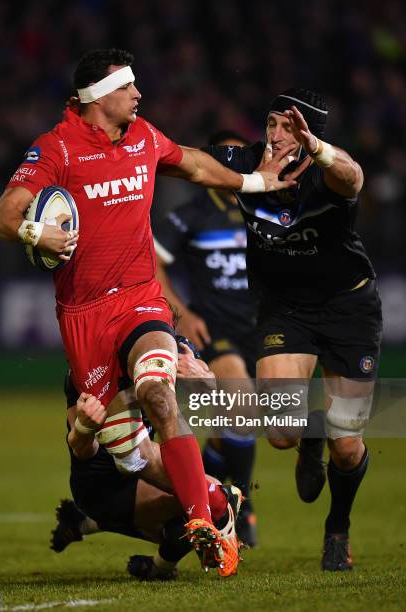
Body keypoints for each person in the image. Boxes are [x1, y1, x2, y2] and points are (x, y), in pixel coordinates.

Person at [0, 48, 299, 574]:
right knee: (131, 454)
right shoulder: (56, 148)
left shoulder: (145, 137)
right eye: (127, 87)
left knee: (157, 391)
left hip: (140, 299)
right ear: (97, 97)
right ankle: (221, 501)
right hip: (85, 316)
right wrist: (35, 231)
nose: (138, 95)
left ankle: (206, 524)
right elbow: (2, 215)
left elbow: (196, 163)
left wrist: (256, 181)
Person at [203, 88, 382, 571]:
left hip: (349, 309)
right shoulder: (243, 161)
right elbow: (189, 161)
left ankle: (337, 527)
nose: (275, 133)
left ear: (309, 137)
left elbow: (354, 176)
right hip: (286, 310)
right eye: (273, 122)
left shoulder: (327, 177)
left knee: (348, 447)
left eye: (290, 126)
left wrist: (321, 151)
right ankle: (309, 436)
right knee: (280, 433)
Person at [51, 338, 242, 580]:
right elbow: (82, 450)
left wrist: (208, 382)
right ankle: (154, 565)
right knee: (211, 499)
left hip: (143, 471)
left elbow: (216, 402)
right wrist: (83, 427)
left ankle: (87, 526)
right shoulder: (93, 370)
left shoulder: (172, 347)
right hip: (104, 486)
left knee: (185, 521)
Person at [153, 130, 259, 547]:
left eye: (241, 156)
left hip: (264, 331)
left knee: (228, 432)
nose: (235, 163)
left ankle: (213, 489)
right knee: (244, 408)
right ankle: (244, 507)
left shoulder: (264, 211)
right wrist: (184, 313)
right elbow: (152, 262)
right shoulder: (192, 214)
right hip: (217, 332)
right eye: (226, 156)